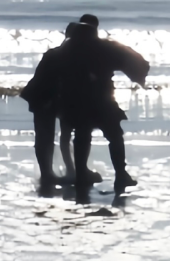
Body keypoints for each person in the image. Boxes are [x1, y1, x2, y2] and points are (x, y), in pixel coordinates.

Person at [56, 14, 149, 195]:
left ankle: (81, 174)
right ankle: (120, 174)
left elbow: (56, 72)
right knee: (114, 136)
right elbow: (133, 59)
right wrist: (139, 75)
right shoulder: (105, 47)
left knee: (83, 136)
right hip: (103, 100)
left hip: (79, 102)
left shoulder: (68, 49)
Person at [19, 22, 100, 190]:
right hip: (42, 97)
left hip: (58, 98)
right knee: (45, 136)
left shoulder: (74, 53)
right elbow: (46, 82)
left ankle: (74, 171)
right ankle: (47, 174)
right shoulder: (59, 54)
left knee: (64, 133)